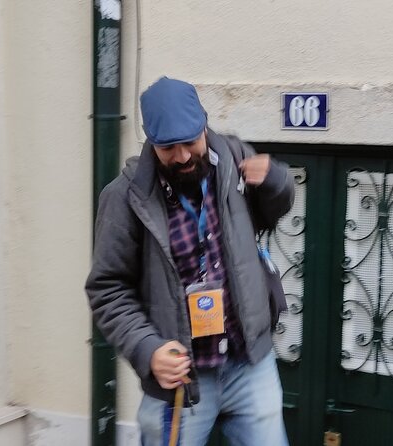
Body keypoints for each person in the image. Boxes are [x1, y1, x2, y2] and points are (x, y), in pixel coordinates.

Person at [85, 77, 293, 445]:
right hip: (182, 378)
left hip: (250, 364)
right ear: (150, 140)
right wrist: (148, 351)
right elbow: (107, 290)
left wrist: (275, 180)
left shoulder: (234, 159)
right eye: (168, 147)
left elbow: (271, 213)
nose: (181, 156)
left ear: (204, 125)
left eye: (189, 142)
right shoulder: (124, 198)